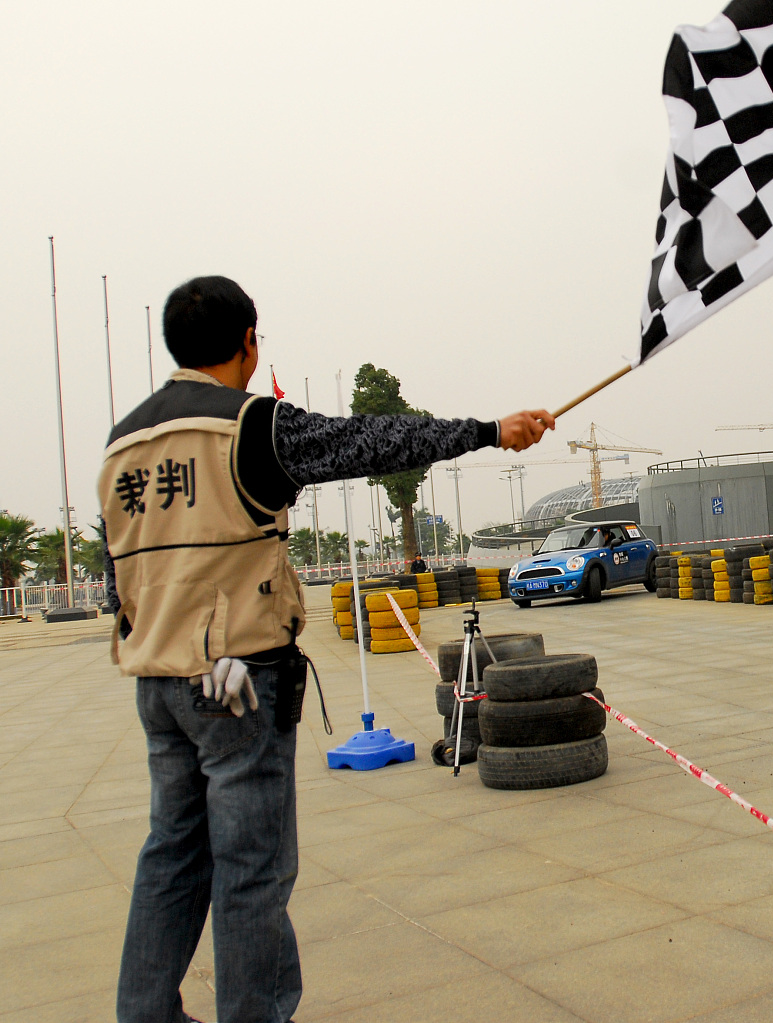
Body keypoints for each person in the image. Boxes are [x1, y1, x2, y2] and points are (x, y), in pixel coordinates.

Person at [99, 275, 554, 1023]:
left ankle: (143, 1012)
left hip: (155, 677)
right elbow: (371, 440)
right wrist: (486, 430)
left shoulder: (124, 443)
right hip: (234, 680)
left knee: (171, 853)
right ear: (248, 341)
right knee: (250, 868)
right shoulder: (249, 425)